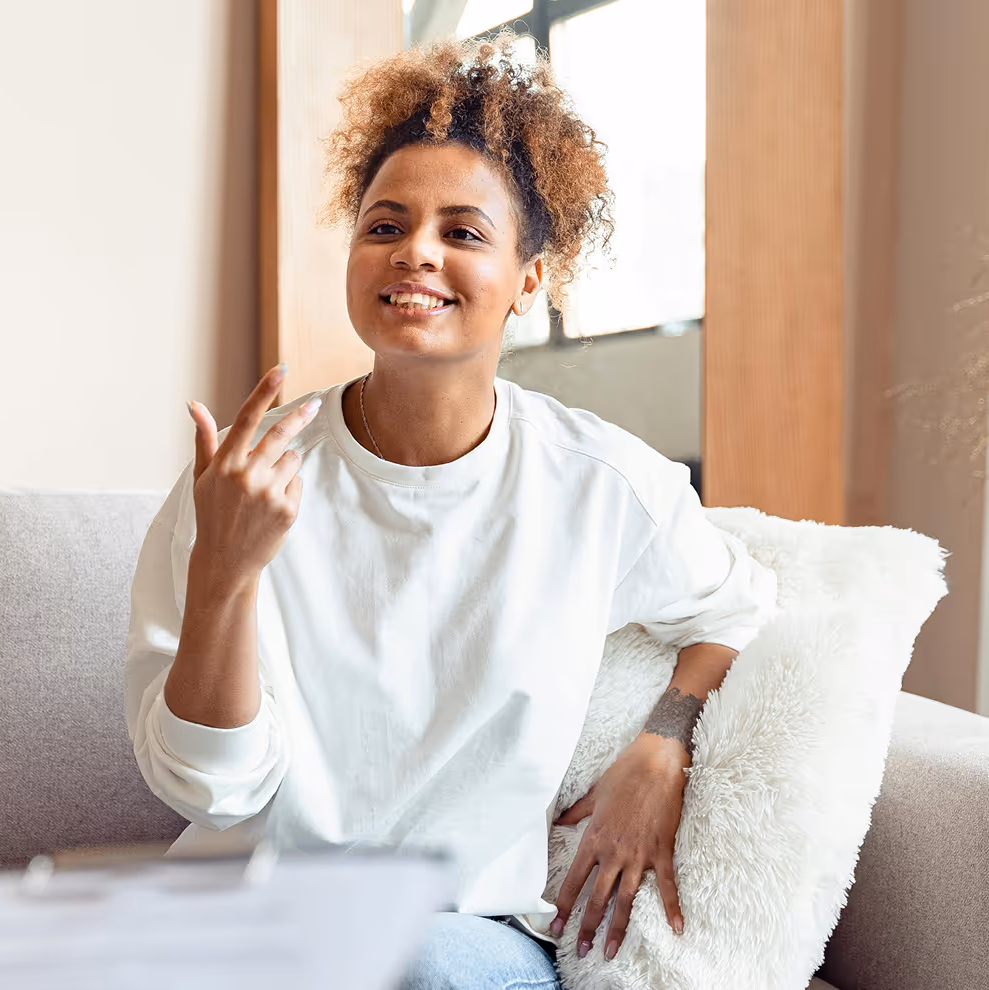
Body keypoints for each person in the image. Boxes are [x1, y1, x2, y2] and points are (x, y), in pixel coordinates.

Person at [124, 32, 778, 990]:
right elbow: (212, 792)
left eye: (463, 232)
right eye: (383, 225)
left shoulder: (596, 484)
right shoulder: (240, 485)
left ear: (529, 280)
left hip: (454, 939)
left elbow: (736, 609)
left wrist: (662, 744)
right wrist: (225, 572)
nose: (415, 253)